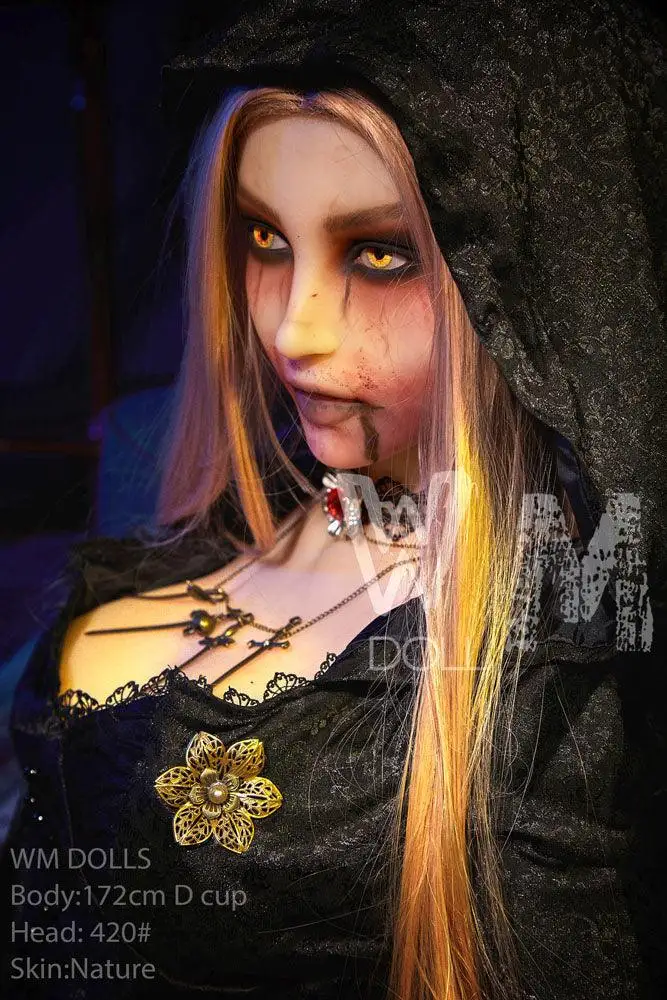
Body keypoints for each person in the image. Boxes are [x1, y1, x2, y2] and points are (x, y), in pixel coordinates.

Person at [1, 1, 665, 998]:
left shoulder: (571, 670)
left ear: (527, 281)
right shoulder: (237, 505)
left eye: (378, 252)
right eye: (264, 237)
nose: (293, 330)